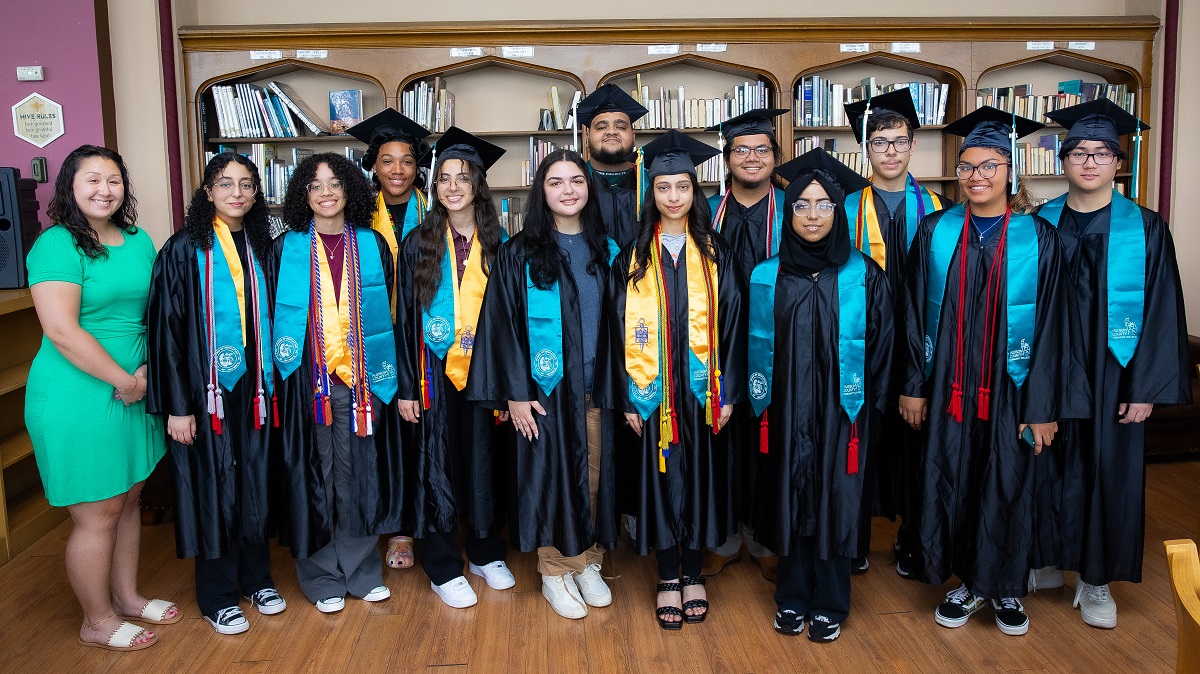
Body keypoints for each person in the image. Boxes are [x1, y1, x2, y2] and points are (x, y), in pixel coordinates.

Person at [899, 107, 1076, 636]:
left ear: (1010, 171)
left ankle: (1005, 588)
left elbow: (1053, 329)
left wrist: (1043, 406)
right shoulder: (935, 232)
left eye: (990, 165)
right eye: (969, 166)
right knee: (954, 479)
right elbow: (912, 312)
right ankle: (969, 583)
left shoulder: (1039, 241)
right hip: (949, 386)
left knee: (1008, 481)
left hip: (1009, 391)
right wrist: (914, 385)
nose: (978, 176)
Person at [1029, 99, 1189, 629]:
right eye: (1078, 152)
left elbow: (1164, 309)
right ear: (1063, 160)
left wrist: (1145, 386)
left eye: (1101, 154)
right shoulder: (1039, 225)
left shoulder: (1144, 229)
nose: (1090, 162)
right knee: (1044, 462)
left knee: (1107, 469)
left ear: (1118, 163)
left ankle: (1095, 581)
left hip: (1112, 375)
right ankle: (1048, 560)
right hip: (1050, 370)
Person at [26, 144, 177, 651]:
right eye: (91, 180)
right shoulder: (56, 245)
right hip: (80, 391)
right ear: (69, 186)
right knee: (97, 511)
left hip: (137, 382)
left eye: (113, 180)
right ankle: (97, 620)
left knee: (129, 495)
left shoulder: (137, 240)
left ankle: (127, 597)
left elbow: (159, 312)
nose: (104, 190)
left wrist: (148, 369)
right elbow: (62, 331)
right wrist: (123, 379)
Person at [595, 130, 746, 629]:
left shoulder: (717, 253)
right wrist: (630, 400)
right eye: (664, 188)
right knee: (659, 480)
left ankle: (693, 572)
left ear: (694, 191)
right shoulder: (631, 259)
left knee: (701, 479)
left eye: (683, 187)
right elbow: (615, 336)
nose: (674, 197)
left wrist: (726, 394)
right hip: (653, 395)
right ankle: (666, 575)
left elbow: (734, 329)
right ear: (651, 193)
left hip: (703, 393)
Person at [466, 150, 620, 619]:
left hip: (598, 387)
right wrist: (515, 392)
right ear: (542, 192)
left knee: (593, 477)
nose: (568, 189)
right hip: (545, 392)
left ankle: (589, 561)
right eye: (556, 182)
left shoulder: (607, 250)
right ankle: (554, 571)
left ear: (588, 188)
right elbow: (501, 326)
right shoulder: (519, 253)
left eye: (577, 180)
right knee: (550, 480)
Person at [748, 148, 891, 642]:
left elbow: (883, 347)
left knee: (836, 500)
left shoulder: (864, 274)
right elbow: (751, 349)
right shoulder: (767, 276)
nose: (812, 215)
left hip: (841, 415)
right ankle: (791, 597)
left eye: (823, 205)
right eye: (802, 205)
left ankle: (830, 601)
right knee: (790, 497)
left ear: (838, 211)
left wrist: (865, 409)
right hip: (785, 412)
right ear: (789, 214)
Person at [146, 152, 285, 634]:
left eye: (247, 185)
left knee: (255, 478)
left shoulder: (266, 245)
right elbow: (167, 331)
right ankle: (217, 594)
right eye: (226, 184)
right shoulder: (184, 249)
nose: (237, 193)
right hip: (206, 391)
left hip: (258, 386)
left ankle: (257, 577)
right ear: (207, 192)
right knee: (214, 483)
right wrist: (178, 406)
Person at [267, 152, 403, 613]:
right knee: (314, 473)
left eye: (334, 183)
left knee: (358, 473)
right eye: (314, 185)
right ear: (302, 195)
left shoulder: (373, 244)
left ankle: (362, 570)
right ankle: (322, 574)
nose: (325, 193)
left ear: (350, 189)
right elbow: (273, 319)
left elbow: (387, 317)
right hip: (307, 383)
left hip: (362, 383)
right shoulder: (285, 249)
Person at [394, 127, 515, 609]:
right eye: (443, 178)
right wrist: (406, 387)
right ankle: (443, 565)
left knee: (484, 461)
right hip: (432, 374)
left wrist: (509, 385)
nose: (452, 186)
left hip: (485, 375)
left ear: (478, 184)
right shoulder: (418, 242)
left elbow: (512, 323)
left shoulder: (500, 242)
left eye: (462, 177)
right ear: (435, 187)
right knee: (436, 464)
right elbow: (402, 322)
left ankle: (486, 552)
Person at [841, 89, 950, 576]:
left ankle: (912, 538)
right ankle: (854, 536)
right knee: (858, 439)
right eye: (880, 141)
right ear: (865, 148)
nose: (890, 150)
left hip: (922, 348)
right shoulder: (842, 208)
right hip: (861, 346)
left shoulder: (941, 211)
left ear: (913, 146)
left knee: (916, 447)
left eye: (899, 141)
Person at [701, 107, 790, 581]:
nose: (751, 158)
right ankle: (724, 538)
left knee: (769, 441)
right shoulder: (704, 212)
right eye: (741, 150)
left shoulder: (796, 210)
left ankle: (764, 538)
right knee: (721, 442)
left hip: (777, 346)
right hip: (714, 346)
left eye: (761, 150)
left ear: (776, 157)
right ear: (727, 157)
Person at [346, 108, 432, 570]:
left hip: (424, 341)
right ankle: (385, 522)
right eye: (387, 161)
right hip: (369, 341)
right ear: (372, 166)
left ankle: (410, 528)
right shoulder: (355, 216)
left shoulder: (437, 211)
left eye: (406, 161)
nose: (397, 170)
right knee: (378, 436)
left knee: (418, 435)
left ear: (418, 167)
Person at [577, 83, 649, 247]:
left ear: (633, 135)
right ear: (587, 137)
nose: (611, 131)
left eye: (621, 126)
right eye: (601, 127)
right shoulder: (574, 186)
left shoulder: (653, 184)